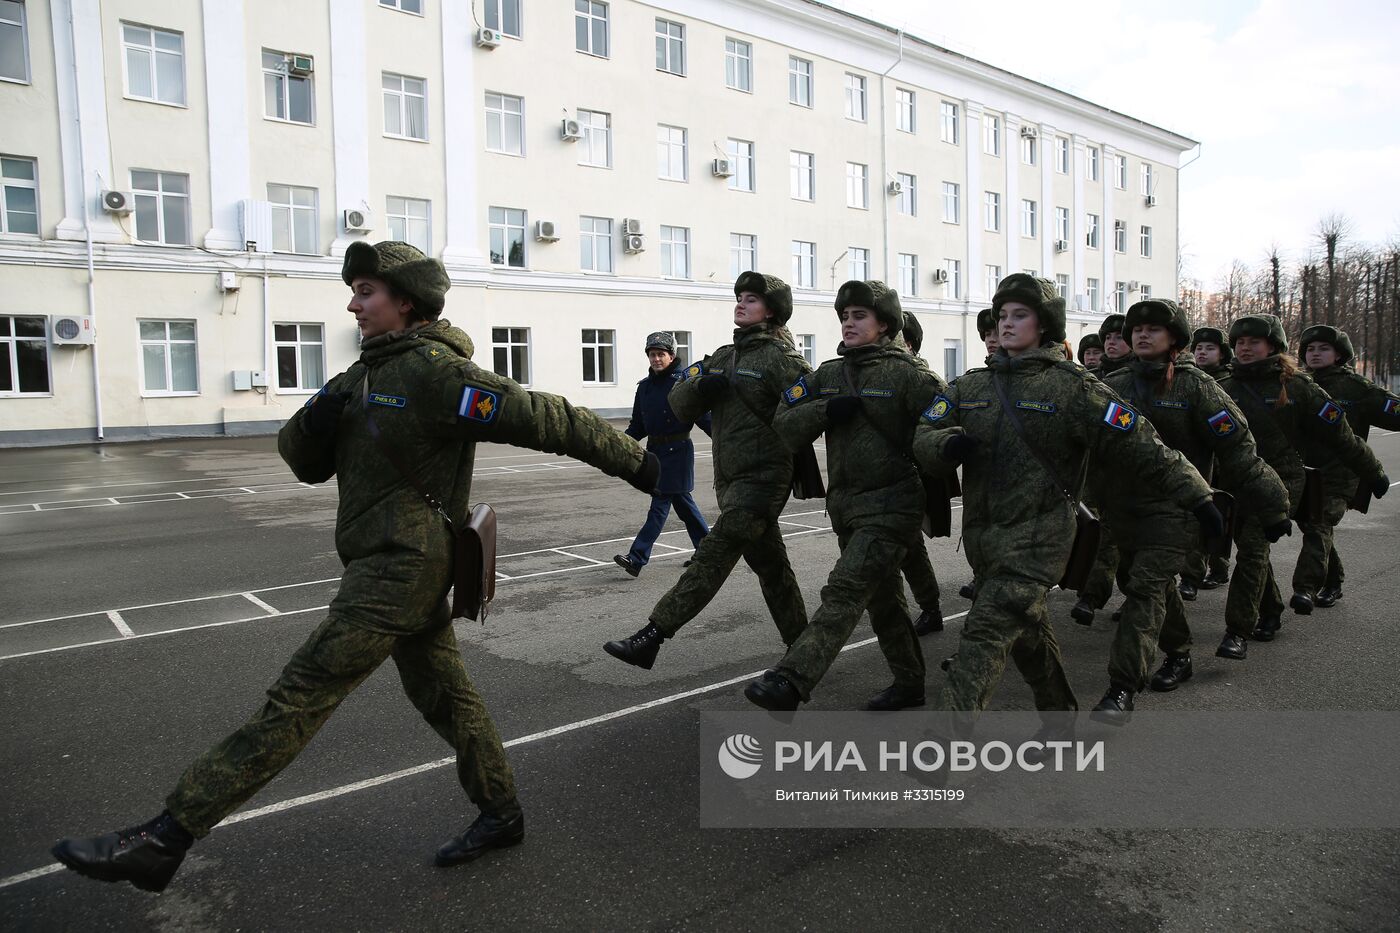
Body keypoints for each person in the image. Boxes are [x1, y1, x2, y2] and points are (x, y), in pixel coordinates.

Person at [51, 241, 658, 893]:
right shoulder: (362, 375)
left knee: (300, 694)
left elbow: (548, 418)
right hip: (386, 566)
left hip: (400, 571)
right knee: (448, 697)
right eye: (355, 290)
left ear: (408, 302)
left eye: (366, 291)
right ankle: (501, 811)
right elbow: (299, 457)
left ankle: (166, 836)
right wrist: (321, 414)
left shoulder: (437, 374)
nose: (352, 303)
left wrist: (638, 463)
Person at [912, 274, 1216, 713]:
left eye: (1020, 315)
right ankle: (1059, 715)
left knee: (986, 631)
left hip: (1041, 539)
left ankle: (941, 744)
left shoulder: (1075, 388)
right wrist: (944, 445)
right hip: (984, 538)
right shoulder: (971, 386)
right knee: (1026, 630)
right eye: (1001, 316)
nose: (1006, 325)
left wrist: (1199, 496)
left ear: (1046, 324)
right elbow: (925, 432)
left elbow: (1144, 446)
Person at [744, 281, 944, 711]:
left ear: (885, 324)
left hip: (894, 505)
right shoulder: (829, 374)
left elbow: (943, 430)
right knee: (884, 601)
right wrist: (822, 410)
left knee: (845, 590)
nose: (849, 324)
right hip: (847, 508)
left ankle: (792, 679)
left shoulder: (911, 375)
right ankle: (910, 684)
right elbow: (785, 421)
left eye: (860, 316)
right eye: (845, 316)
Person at [603, 272, 811, 669]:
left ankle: (652, 636)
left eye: (751, 299)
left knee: (711, 558)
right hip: (730, 480)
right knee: (773, 570)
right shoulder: (723, 356)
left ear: (772, 311)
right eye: (739, 297)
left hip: (764, 481)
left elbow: (805, 420)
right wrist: (702, 389)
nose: (741, 303)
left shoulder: (784, 361)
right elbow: (679, 399)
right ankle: (802, 649)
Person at [1099, 300, 1288, 708]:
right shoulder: (1112, 386)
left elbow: (1240, 451)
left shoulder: (1196, 386)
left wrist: (1273, 505)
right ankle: (1179, 655)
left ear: (1175, 340)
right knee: (1148, 585)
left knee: (1145, 590)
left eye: (1154, 329)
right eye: (1137, 329)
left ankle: (1121, 688)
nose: (1143, 335)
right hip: (1124, 511)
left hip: (1181, 509)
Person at [1218, 313, 1387, 650]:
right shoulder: (1224, 389)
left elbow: (1343, 437)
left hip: (1283, 478)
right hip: (1237, 481)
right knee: (1251, 551)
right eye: (1240, 342)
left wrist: (1373, 472)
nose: (1245, 348)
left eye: (1254, 342)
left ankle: (1237, 631)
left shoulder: (1297, 386)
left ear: (1273, 346)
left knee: (1253, 546)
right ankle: (1269, 610)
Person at [1293, 325, 1400, 607]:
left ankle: (1304, 588)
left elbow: (1394, 411)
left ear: (1339, 355)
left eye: (1323, 349)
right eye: (1310, 349)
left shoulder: (1357, 388)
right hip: (1306, 471)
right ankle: (1333, 579)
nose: (1315, 354)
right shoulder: (1298, 384)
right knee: (1312, 525)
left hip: (1341, 473)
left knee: (1319, 523)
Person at [613, 332, 712, 577]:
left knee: (659, 506)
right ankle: (708, 552)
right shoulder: (645, 388)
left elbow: (703, 418)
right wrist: (618, 444)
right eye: (652, 354)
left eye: (661, 354)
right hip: (655, 453)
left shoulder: (683, 383)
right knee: (684, 505)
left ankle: (636, 558)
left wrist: (724, 441)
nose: (656, 359)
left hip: (678, 453)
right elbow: (638, 425)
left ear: (671, 356)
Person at [1070, 313, 1133, 625]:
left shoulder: (1151, 378)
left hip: (1136, 477)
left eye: (1118, 337)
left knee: (1132, 547)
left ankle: (1135, 598)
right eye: (1107, 337)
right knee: (1103, 537)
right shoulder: (1092, 382)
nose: (1110, 343)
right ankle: (1092, 596)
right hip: (1099, 474)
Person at [895, 310, 946, 635]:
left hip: (908, 476)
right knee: (911, 548)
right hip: (876, 480)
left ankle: (929, 609)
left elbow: (941, 419)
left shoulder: (919, 378)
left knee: (908, 548)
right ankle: (931, 609)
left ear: (910, 343)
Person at [1180, 326, 1236, 593]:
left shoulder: (1228, 382)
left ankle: (1217, 566)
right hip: (1197, 460)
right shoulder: (1184, 379)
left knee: (1217, 516)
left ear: (1223, 354)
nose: (1202, 352)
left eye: (1210, 348)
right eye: (1199, 347)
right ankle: (1192, 575)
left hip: (1226, 463)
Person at [956, 307, 999, 604]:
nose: (992, 340)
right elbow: (930, 426)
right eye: (987, 335)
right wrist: (944, 444)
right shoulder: (972, 384)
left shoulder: (1061, 382)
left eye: (995, 332)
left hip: (1029, 517)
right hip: (979, 502)